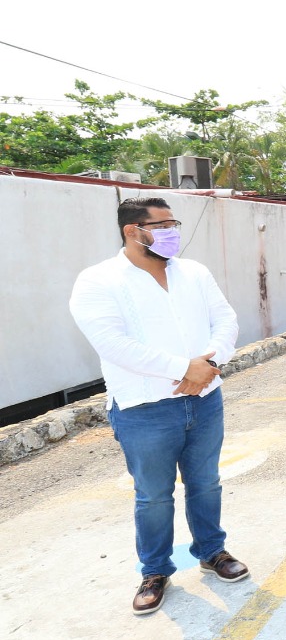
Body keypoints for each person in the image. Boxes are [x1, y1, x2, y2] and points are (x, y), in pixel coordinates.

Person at [69, 197, 246, 616]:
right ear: (133, 230)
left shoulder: (194, 273)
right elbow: (112, 344)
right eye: (163, 224)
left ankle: (212, 551)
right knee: (153, 496)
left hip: (204, 401)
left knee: (206, 483)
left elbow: (226, 320)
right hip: (143, 408)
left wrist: (211, 364)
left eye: (174, 223)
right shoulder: (98, 280)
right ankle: (155, 570)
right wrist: (183, 367)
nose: (173, 232)